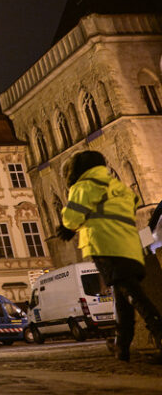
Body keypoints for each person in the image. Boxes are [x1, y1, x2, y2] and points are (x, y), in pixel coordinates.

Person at [59, 150, 162, 361]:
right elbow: (130, 204)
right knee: (122, 296)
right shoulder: (116, 186)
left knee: (133, 295)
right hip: (130, 246)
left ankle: (159, 331)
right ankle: (121, 345)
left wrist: (69, 226)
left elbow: (71, 219)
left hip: (106, 247)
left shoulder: (82, 187)